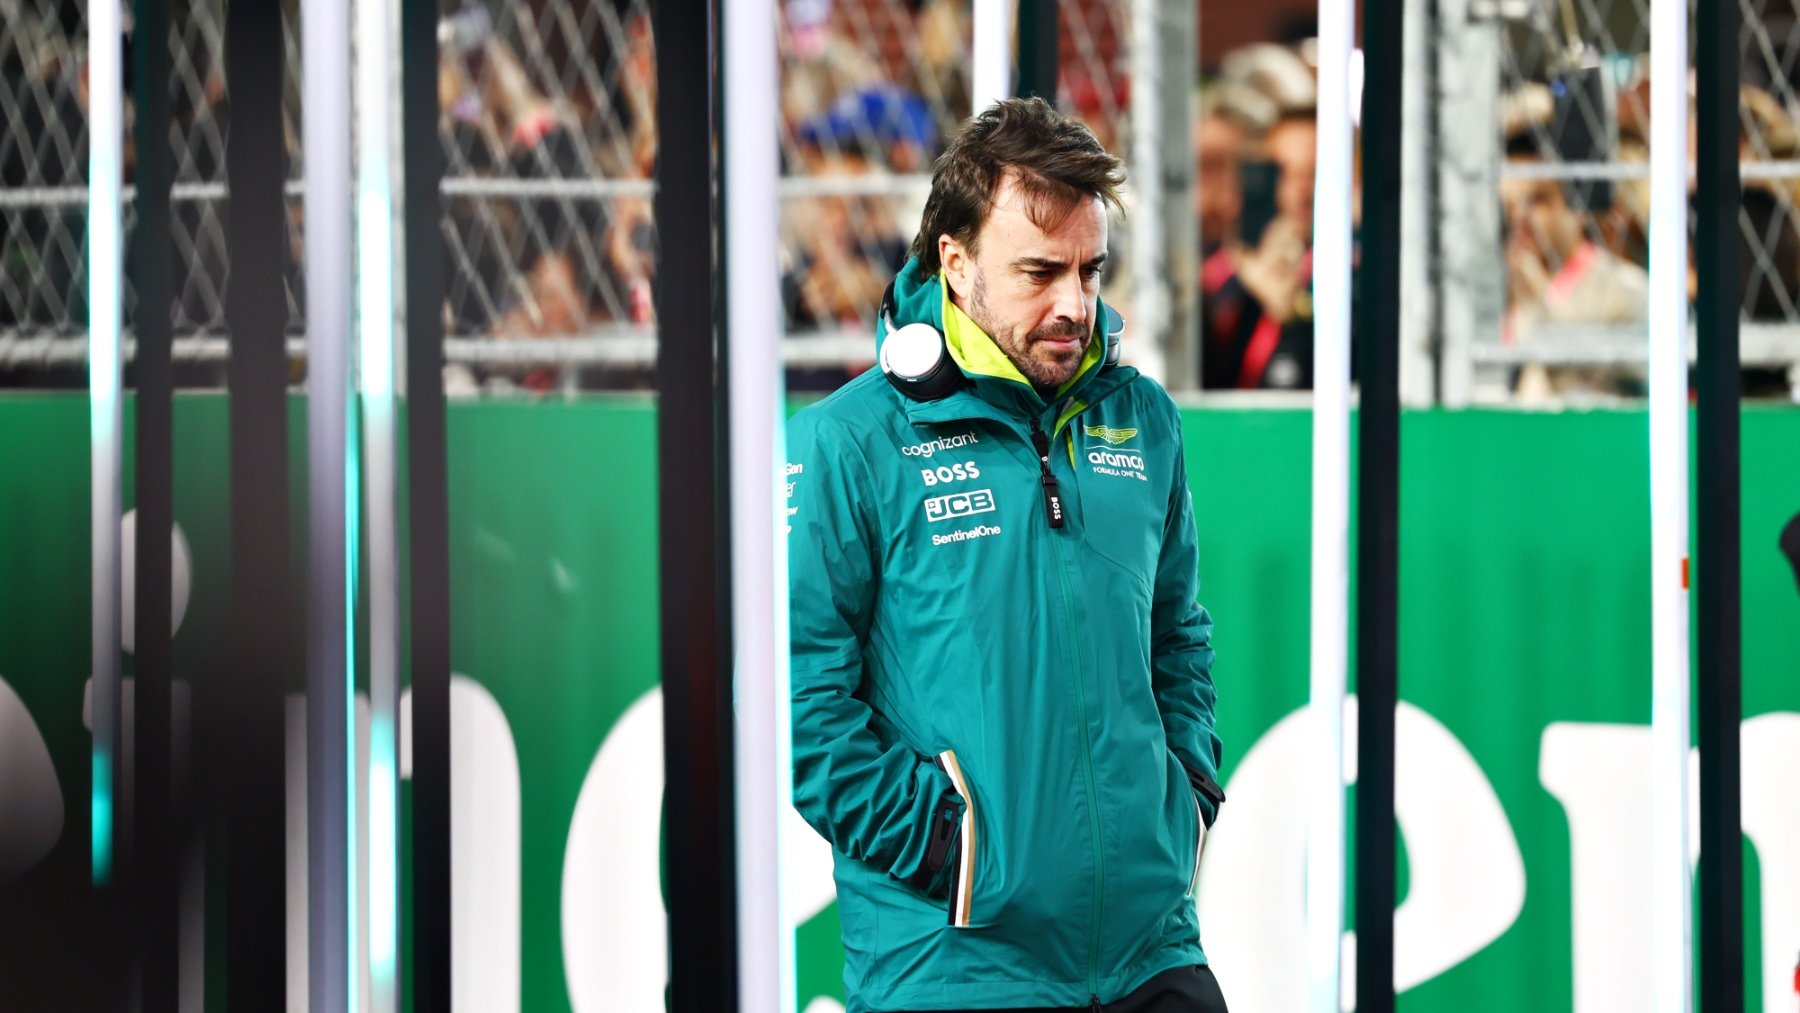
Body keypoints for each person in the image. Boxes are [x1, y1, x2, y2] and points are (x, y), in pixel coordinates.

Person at [787, 97, 1228, 1013]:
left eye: (1090, 270)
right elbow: (803, 712)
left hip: (1152, 949)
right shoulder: (851, 442)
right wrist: (959, 851)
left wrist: (1180, 805)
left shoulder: (1142, 420)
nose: (1074, 304)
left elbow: (1178, 635)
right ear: (954, 261)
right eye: (1039, 272)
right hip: (954, 966)